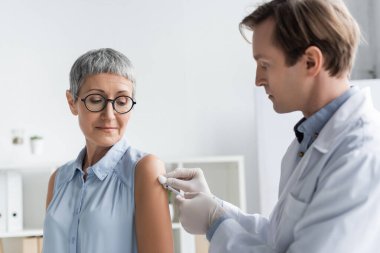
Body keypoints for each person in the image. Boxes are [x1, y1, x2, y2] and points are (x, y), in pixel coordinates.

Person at [162, 0, 380, 252]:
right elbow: (279, 238)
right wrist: (215, 207)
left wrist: (216, 222)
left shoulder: (362, 153)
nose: (258, 80)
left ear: (310, 62)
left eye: (265, 64)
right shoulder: (311, 138)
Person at [43, 48, 173, 253]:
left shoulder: (145, 170)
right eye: (96, 100)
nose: (110, 114)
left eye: (121, 102)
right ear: (72, 102)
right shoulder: (59, 179)